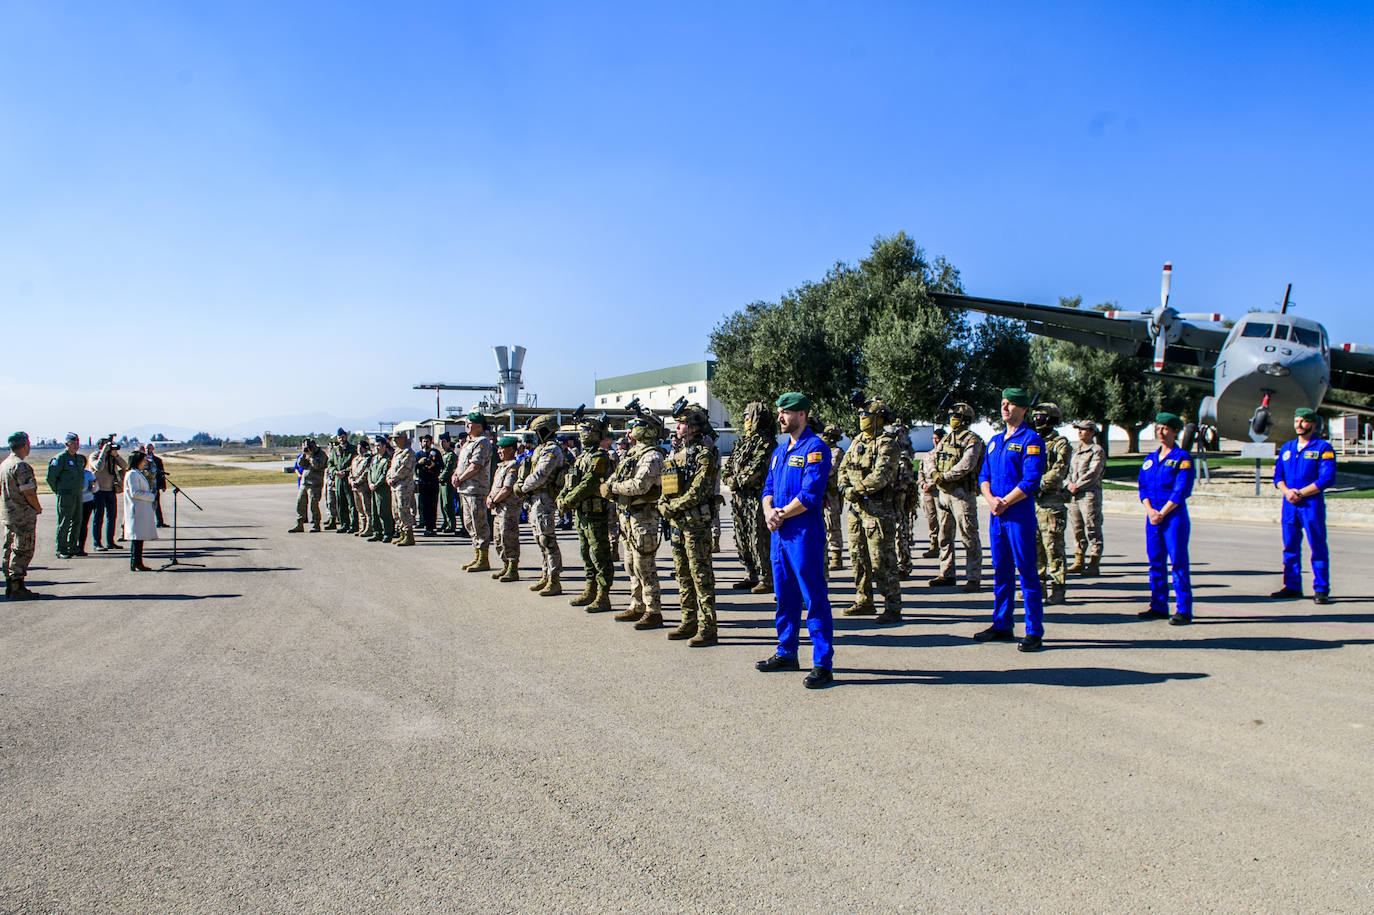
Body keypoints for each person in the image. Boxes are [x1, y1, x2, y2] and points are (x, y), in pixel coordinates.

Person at [757, 392, 834, 689]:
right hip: (780, 534)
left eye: (785, 412)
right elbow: (768, 488)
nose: (780, 417)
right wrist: (769, 512)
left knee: (814, 598)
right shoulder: (779, 451)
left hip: (803, 535)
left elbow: (811, 494)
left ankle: (822, 664)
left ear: (802, 414)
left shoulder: (815, 448)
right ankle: (786, 651)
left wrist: (780, 514)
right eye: (779, 412)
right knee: (784, 596)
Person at [977, 388, 1046, 651]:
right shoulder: (994, 441)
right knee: (1001, 571)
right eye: (1003, 403)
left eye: (1011, 404)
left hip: (1018, 515)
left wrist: (1004, 501)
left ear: (1024, 408)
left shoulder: (1032, 440)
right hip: (997, 514)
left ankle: (1034, 630)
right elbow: (984, 476)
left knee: (1027, 572)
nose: (1005, 408)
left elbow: (1030, 480)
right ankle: (1002, 624)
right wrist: (991, 499)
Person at [659, 402, 721, 646]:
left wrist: (672, 507)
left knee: (701, 575)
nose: (678, 427)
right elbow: (668, 486)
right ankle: (688, 621)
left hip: (695, 524)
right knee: (683, 575)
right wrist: (663, 504)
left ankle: (708, 628)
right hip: (677, 524)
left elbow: (699, 490)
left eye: (683, 423)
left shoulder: (704, 456)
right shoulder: (675, 455)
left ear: (694, 427)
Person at [837, 397, 903, 623]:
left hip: (878, 510)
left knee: (882, 559)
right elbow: (843, 468)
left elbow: (882, 475)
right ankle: (864, 599)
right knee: (858, 556)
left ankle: (892, 605)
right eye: (860, 414)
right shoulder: (857, 441)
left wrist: (858, 489)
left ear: (879, 418)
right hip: (855, 509)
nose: (861, 418)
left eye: (866, 415)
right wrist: (845, 489)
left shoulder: (887, 443)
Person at [1270, 408, 1337, 604]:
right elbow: (1278, 476)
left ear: (1314, 424)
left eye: (1304, 421)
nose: (1299, 425)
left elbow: (1326, 478)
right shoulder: (1287, 448)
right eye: (1297, 420)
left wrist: (1301, 493)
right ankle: (1292, 586)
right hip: (1289, 504)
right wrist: (1287, 492)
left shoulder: (1322, 448)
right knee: (1290, 546)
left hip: (1311, 504)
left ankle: (1321, 589)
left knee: (1317, 546)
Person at [606, 414, 667, 628]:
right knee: (630, 564)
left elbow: (639, 486)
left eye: (636, 426)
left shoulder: (652, 456)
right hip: (628, 516)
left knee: (644, 565)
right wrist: (612, 485)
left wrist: (613, 489)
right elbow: (617, 476)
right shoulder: (634, 454)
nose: (630, 429)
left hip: (644, 518)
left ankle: (653, 610)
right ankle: (637, 604)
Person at [1137, 412, 1194, 625]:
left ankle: (1183, 609)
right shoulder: (1150, 459)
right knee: (1155, 562)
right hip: (1152, 517)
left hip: (1173, 517)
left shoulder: (1182, 458)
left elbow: (1181, 490)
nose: (1161, 432)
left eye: (1165, 428)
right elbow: (1143, 487)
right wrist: (1150, 510)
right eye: (1158, 428)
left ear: (1175, 431)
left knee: (1178, 562)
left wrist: (1162, 512)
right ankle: (1158, 605)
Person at [558, 414, 615, 611]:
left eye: (587, 430)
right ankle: (590, 589)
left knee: (599, 554)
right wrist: (562, 496)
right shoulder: (582, 457)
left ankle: (603, 595)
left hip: (595, 514)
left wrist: (568, 500)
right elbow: (571, 480)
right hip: (581, 513)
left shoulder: (600, 456)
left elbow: (589, 483)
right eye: (582, 430)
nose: (583, 434)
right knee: (586, 553)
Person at [929, 404, 984, 593]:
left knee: (968, 535)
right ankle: (947, 572)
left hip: (962, 494)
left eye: (956, 415)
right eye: (951, 415)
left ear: (966, 419)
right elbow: (931, 457)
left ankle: (973, 577)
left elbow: (967, 464)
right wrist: (934, 473)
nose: (952, 418)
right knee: (944, 535)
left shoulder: (973, 440)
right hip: (944, 494)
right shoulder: (945, 439)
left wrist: (945, 477)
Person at [721, 402, 775, 593]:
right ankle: (750, 573)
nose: (745, 420)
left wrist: (736, 480)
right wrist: (730, 479)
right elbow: (727, 468)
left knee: (758, 537)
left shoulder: (766, 442)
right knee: (741, 536)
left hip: (756, 498)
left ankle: (766, 577)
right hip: (740, 498)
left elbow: (756, 469)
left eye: (748, 416)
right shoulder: (743, 441)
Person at [516, 414, 566, 595]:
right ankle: (545, 575)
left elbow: (541, 475)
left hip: (545, 498)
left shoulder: (552, 450)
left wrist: (522, 487)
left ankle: (555, 579)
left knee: (547, 540)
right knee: (540, 539)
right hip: (536, 498)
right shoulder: (541, 449)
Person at [1031, 403, 1073, 606]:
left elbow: (1059, 471)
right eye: (1035, 415)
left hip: (1051, 503)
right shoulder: (1032, 440)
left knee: (1054, 549)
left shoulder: (1060, 444)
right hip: (1032, 502)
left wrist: (1037, 485)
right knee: (1035, 548)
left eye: (1041, 416)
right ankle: (1037, 588)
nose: (1037, 419)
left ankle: (1058, 588)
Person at [3, 431, 43, 599]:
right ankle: (17, 585)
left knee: (10, 549)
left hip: (8, 514)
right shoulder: (21, 466)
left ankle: (11, 585)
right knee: (23, 549)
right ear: (25, 445)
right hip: (22, 515)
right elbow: (28, 492)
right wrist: (37, 507)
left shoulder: (5, 464)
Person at [454, 412, 495, 572]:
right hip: (465, 489)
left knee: (479, 525)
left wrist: (461, 478)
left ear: (479, 425)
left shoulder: (483, 442)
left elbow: (475, 465)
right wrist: (456, 475)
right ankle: (477, 555)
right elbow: (462, 464)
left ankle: (483, 558)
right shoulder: (468, 443)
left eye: (470, 423)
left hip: (476, 489)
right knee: (469, 524)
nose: (467, 425)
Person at [1066, 420, 1106, 576]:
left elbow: (1094, 472)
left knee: (1092, 527)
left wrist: (1078, 485)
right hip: (1074, 495)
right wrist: (1069, 484)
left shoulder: (1097, 451)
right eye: (1079, 430)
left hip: (1089, 494)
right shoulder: (1076, 450)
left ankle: (1094, 561)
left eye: (1084, 430)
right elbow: (1069, 471)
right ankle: (1079, 559)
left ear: (1092, 432)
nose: (1080, 432)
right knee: (1077, 528)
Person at [45, 432, 87, 559]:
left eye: (77, 443)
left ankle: (72, 547)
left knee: (77, 521)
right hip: (66, 495)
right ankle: (61, 548)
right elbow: (50, 478)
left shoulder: (78, 459)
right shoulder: (60, 458)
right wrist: (58, 491)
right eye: (73, 443)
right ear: (66, 444)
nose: (76, 446)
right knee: (65, 521)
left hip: (77, 494)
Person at [488, 436, 522, 581]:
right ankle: (505, 564)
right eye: (499, 448)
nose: (499, 451)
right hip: (497, 509)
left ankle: (513, 568)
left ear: (511, 449)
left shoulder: (513, 466)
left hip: (508, 509)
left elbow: (507, 488)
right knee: (498, 539)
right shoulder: (501, 466)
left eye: (502, 448)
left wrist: (494, 500)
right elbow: (495, 487)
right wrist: (490, 498)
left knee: (508, 538)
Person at [888, 417, 917, 579]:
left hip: (899, 501)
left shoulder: (903, 459)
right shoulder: (893, 456)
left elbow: (904, 484)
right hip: (891, 502)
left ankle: (903, 564)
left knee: (901, 532)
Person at [89, 437, 127, 554]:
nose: (108, 447)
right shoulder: (94, 456)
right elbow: (98, 467)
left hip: (110, 490)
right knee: (98, 517)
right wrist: (103, 453)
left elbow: (125, 466)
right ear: (100, 445)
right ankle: (97, 543)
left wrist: (116, 455)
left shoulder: (112, 456)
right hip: (98, 491)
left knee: (112, 517)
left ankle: (110, 542)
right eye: (106, 445)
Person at [122, 451, 157, 571]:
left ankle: (136, 561)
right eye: (143, 460)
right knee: (137, 539)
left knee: (139, 539)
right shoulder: (132, 474)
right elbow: (135, 492)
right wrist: (151, 496)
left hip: (141, 509)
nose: (145, 463)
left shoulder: (137, 473)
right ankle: (136, 561)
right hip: (137, 510)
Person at [819, 424, 846, 571]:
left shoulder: (837, 452)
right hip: (821, 493)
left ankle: (837, 556)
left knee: (833, 523)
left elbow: (830, 470)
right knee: (821, 524)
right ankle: (824, 556)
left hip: (831, 493)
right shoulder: (822, 450)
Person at [917, 429, 945, 559]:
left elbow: (944, 474)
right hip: (927, 492)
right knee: (931, 519)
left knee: (943, 519)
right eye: (933, 438)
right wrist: (922, 484)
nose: (935, 440)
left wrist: (932, 484)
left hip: (939, 490)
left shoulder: (943, 455)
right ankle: (933, 545)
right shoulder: (928, 455)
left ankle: (943, 545)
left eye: (937, 438)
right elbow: (920, 471)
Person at [387, 430, 417, 546]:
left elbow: (404, 469)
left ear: (404, 438)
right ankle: (402, 534)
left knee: (403, 509)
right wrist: (388, 477)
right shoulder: (397, 452)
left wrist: (393, 478)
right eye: (393, 438)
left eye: (397, 438)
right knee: (396, 511)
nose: (394, 440)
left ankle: (409, 535)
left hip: (403, 486)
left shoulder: (408, 452)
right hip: (395, 485)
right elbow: (391, 468)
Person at [289, 439, 327, 532]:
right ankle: (299, 524)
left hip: (315, 484)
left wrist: (311, 455)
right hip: (304, 483)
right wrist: (304, 454)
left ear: (315, 446)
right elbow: (301, 464)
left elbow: (317, 465)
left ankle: (316, 524)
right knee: (300, 503)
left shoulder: (322, 454)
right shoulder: (306, 454)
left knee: (313, 504)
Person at [367, 435, 395, 543]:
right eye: (375, 446)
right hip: (374, 488)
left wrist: (376, 484)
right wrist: (370, 483)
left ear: (384, 446)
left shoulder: (387, 459)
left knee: (384, 511)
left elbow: (385, 474)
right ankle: (377, 532)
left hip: (383, 489)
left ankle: (387, 533)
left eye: (379, 446)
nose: (377, 448)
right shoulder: (374, 459)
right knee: (375, 511)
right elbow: (370, 471)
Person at [328, 429, 358, 534]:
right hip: (338, 479)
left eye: (343, 436)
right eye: (339, 437)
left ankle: (354, 524)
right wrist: (335, 472)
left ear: (346, 436)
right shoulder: (335, 450)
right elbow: (330, 464)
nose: (341, 439)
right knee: (341, 503)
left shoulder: (353, 449)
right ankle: (344, 524)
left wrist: (345, 471)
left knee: (351, 502)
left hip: (348, 478)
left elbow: (355, 464)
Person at [348, 437, 373, 538]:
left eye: (361, 447)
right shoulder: (355, 459)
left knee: (367, 508)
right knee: (359, 508)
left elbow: (366, 472)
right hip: (355, 487)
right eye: (358, 447)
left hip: (363, 487)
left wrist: (358, 482)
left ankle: (369, 527)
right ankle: (362, 527)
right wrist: (352, 481)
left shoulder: (367, 459)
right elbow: (351, 471)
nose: (359, 449)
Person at [438, 432, 458, 535]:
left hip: (447, 482)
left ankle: (451, 524)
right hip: (441, 482)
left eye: (444, 441)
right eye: (440, 441)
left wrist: (440, 477)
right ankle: (445, 522)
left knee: (448, 504)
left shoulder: (451, 455)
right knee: (442, 504)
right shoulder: (442, 454)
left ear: (448, 442)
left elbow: (448, 469)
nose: (441, 443)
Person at [145, 442, 169, 527]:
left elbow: (161, 474)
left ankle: (160, 521)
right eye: (147, 448)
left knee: (156, 504)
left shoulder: (157, 460)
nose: (148, 450)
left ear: (153, 449)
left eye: (150, 448)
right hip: (145, 486)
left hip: (155, 485)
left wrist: (163, 485)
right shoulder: (142, 460)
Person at [79, 463, 97, 555]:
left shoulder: (88, 474)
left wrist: (93, 485)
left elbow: (95, 489)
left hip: (87, 501)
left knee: (83, 524)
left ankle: (81, 546)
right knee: (75, 524)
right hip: (75, 501)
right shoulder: (71, 473)